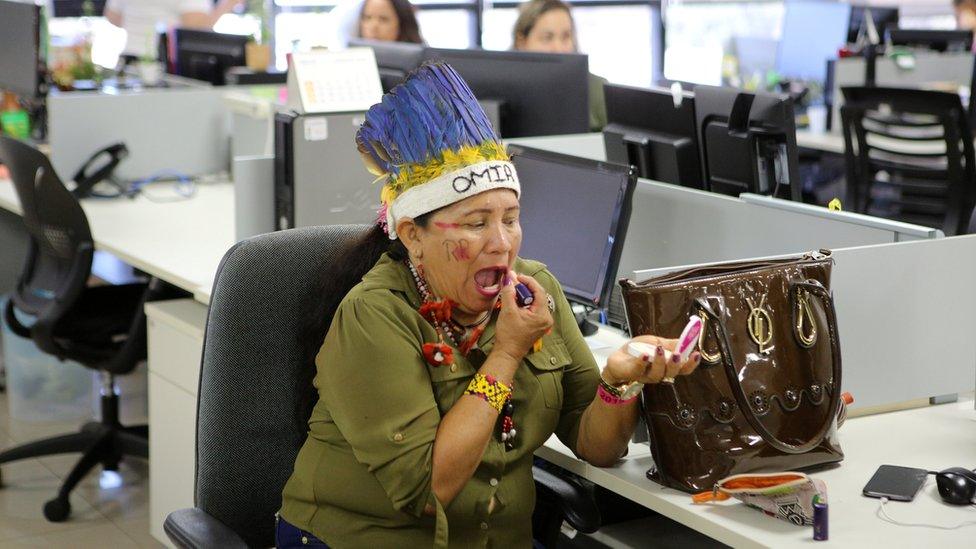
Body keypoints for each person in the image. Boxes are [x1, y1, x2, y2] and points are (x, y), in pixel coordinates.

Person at [276, 62, 700, 547]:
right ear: (414, 235)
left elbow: (594, 446)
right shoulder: (375, 314)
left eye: (511, 219)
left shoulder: (534, 288)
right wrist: (506, 354)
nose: (502, 243)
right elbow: (427, 489)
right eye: (476, 223)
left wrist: (618, 382)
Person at [512, 0, 606, 131]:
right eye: (547, 38)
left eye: (566, 36)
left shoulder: (596, 89)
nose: (559, 48)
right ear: (521, 41)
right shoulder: (507, 88)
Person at [104, 0, 244, 58]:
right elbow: (197, 28)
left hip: (129, 58)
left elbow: (113, 16)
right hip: (162, 65)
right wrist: (228, 4)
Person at [359, 0, 424, 43]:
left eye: (383, 19)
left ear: (402, 24)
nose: (373, 26)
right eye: (367, 17)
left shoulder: (424, 61)